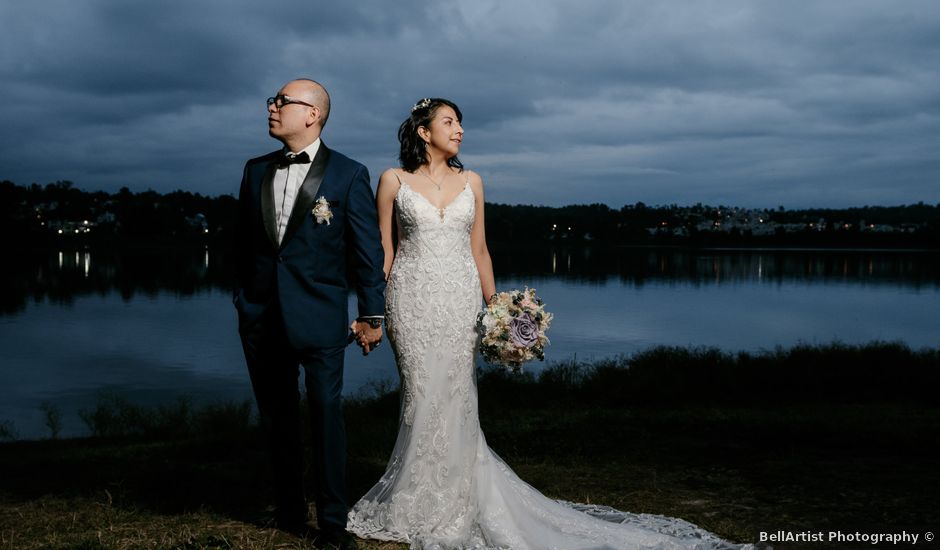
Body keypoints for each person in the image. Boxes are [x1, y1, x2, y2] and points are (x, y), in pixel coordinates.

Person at [346, 98, 752, 549]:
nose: (459, 129)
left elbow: (480, 251)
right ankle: (416, 499)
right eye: (449, 121)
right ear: (424, 131)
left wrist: (498, 309)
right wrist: (371, 312)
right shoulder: (393, 180)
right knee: (421, 394)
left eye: (461, 122)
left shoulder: (472, 181)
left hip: (461, 303)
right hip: (413, 301)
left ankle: (454, 499)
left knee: (457, 396)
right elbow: (384, 251)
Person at [234, 78, 384, 550]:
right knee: (276, 417)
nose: (272, 108)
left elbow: (366, 251)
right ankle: (290, 512)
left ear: (312, 114)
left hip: (321, 317)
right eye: (272, 101)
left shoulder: (348, 173)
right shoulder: (254, 170)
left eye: (283, 102)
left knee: (325, 414)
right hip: (261, 317)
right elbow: (243, 244)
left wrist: (372, 315)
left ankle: (333, 524)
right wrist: (244, 299)